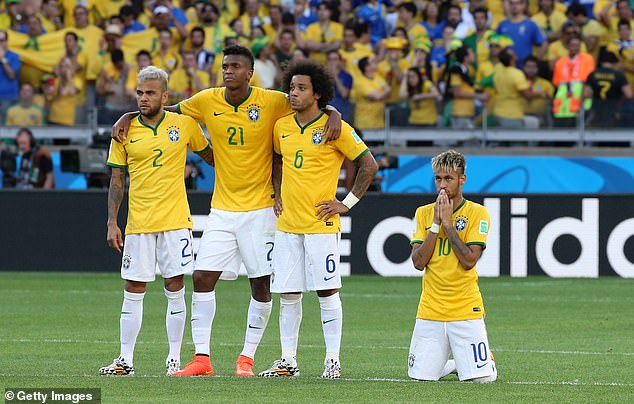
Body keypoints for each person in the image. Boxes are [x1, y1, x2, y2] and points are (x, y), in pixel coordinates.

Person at [111, 45, 342, 378]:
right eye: (225, 66)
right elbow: (166, 108)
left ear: (250, 73)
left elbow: (308, 102)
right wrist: (129, 115)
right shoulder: (206, 100)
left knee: (262, 286)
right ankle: (201, 359)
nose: (228, 71)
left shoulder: (273, 101)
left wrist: (333, 111)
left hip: (262, 208)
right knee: (202, 277)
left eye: (235, 66)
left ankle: (246, 359)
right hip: (221, 208)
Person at [258, 59, 378, 379]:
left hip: (320, 224)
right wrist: (277, 192)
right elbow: (276, 160)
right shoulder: (282, 125)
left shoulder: (333, 126)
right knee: (288, 293)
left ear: (317, 94)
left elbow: (369, 165)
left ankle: (332, 360)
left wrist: (346, 203)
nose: (293, 93)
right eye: (291, 87)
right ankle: (288, 361)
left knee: (327, 291)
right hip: (287, 224)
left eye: (301, 88)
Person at [99, 66, 214, 377]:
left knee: (175, 286)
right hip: (138, 223)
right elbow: (116, 180)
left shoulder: (185, 124)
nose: (143, 99)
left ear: (165, 95)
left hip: (176, 221)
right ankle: (125, 360)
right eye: (139, 93)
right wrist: (113, 221)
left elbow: (213, 158)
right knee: (133, 287)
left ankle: (174, 359)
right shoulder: (124, 131)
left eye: (150, 93)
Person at [408, 149, 496, 383]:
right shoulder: (424, 213)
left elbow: (469, 261)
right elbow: (418, 263)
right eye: (438, 178)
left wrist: (449, 224)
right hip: (431, 309)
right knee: (421, 379)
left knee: (482, 380)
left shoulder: (478, 213)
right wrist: (436, 224)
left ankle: (487, 362)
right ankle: (455, 362)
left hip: (465, 308)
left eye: (448, 178)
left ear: (462, 179)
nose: (442, 185)